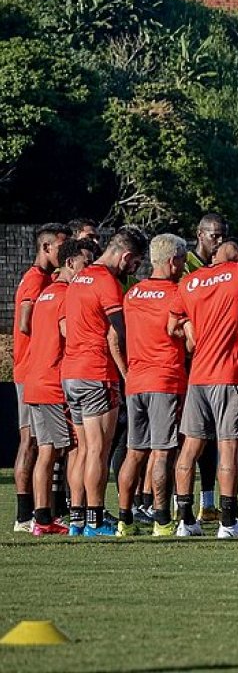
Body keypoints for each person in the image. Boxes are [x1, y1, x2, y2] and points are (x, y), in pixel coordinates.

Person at [170, 240, 238, 538]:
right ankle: (228, 522)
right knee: (229, 448)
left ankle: (184, 520)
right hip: (230, 374)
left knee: (190, 448)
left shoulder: (190, 281)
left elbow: (173, 326)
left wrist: (194, 334)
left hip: (198, 376)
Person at [62, 225, 147, 537]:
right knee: (98, 450)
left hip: (71, 373)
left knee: (83, 450)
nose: (135, 268)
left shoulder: (79, 279)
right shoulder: (107, 282)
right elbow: (121, 331)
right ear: (125, 255)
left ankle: (76, 519)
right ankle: (95, 521)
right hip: (96, 372)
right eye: (136, 262)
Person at [115, 234, 189, 538]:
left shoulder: (132, 294)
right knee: (162, 453)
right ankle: (161, 520)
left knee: (134, 452)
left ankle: (124, 520)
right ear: (173, 262)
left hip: (136, 382)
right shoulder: (178, 293)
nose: (184, 267)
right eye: (183, 261)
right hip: (165, 380)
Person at [25, 238, 94, 536]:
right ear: (70, 263)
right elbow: (69, 332)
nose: (88, 269)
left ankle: (42, 519)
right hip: (54, 384)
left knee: (46, 451)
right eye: (85, 263)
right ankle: (75, 514)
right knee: (74, 447)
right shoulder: (67, 294)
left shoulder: (48, 293)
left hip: (35, 381)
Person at [11, 222, 68, 533]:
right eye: (61, 246)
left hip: (32, 370)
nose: (65, 252)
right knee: (31, 442)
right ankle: (24, 515)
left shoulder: (41, 278)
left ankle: (39, 513)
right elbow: (24, 324)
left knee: (42, 443)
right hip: (31, 370)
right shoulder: (36, 280)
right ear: (47, 247)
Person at [184, 213, 229, 523]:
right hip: (191, 364)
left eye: (222, 235)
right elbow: (180, 316)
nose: (219, 241)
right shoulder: (186, 267)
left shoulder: (221, 270)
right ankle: (175, 506)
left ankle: (208, 503)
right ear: (199, 234)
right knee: (187, 439)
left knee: (210, 439)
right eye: (214, 235)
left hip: (211, 364)